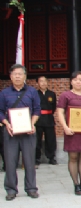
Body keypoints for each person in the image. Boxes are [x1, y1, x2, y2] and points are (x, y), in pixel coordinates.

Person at [0, 64, 41, 200]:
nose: (17, 76)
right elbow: (0, 111)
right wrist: (6, 124)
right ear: (11, 77)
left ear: (25, 76)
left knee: (29, 161)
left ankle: (31, 188)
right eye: (15, 74)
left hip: (28, 132)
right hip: (11, 132)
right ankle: (11, 190)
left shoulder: (32, 92)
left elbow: (37, 110)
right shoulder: (4, 93)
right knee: (10, 162)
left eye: (20, 74)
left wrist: (32, 123)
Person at [56, 71, 81, 195]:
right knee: (73, 157)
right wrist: (65, 127)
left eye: (80, 80)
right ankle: (76, 184)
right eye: (75, 80)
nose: (78, 82)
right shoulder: (65, 95)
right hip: (71, 131)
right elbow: (60, 112)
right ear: (71, 81)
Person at [34, 76, 57, 166]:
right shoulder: (35, 94)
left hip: (49, 119)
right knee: (37, 140)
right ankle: (36, 158)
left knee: (51, 140)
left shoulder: (52, 94)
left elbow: (54, 107)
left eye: (45, 81)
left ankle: (51, 157)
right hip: (38, 119)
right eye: (41, 81)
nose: (43, 83)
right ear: (37, 83)